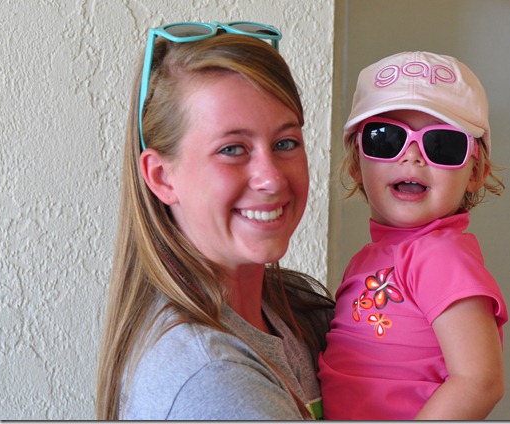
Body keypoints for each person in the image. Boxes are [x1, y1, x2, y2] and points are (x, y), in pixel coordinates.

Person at [95, 21, 334, 420]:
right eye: (232, 149)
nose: (272, 178)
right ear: (161, 177)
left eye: (285, 143)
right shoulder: (212, 378)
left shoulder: (295, 307)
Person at [318, 51, 509, 420]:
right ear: (356, 163)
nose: (413, 157)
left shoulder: (440, 256)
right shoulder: (368, 259)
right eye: (385, 139)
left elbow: (480, 381)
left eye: (442, 144)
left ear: (475, 172)